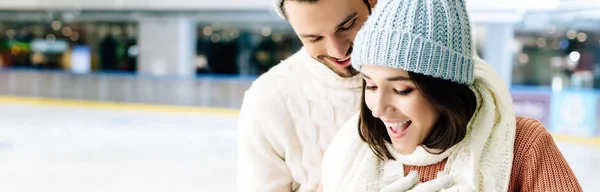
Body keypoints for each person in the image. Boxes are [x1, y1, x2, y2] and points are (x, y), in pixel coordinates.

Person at [321, 0, 583, 191]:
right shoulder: (352, 150)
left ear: (445, 90)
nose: (377, 110)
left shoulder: (523, 146)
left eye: (402, 90)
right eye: (371, 86)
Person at [235, 0, 377, 191]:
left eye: (347, 26)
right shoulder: (266, 99)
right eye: (314, 38)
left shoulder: (418, 69)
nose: (338, 51)